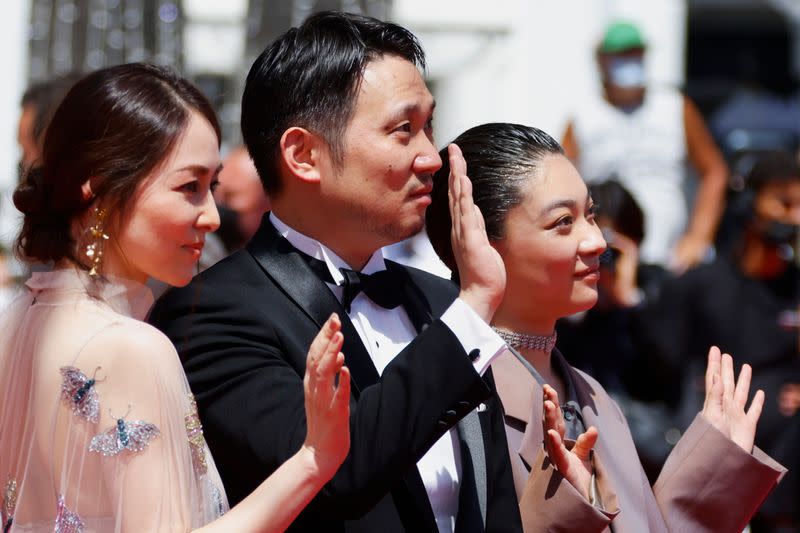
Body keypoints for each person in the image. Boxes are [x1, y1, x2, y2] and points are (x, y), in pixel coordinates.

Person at [149, 11, 522, 533]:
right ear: (304, 154)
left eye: (428, 127)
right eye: (402, 130)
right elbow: (331, 476)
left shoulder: (443, 304)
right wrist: (476, 307)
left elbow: (490, 501)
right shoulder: (209, 313)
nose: (430, 157)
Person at [0, 63, 351, 532]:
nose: (210, 216)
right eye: (189, 187)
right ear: (100, 188)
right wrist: (314, 459)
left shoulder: (17, 319)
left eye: (212, 187)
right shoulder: (131, 347)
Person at [425, 122, 786, 532]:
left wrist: (713, 472)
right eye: (563, 221)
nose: (596, 240)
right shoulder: (451, 402)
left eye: (590, 215)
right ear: (479, 241)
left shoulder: (596, 399)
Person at [640, 150, 800, 532]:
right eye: (785, 202)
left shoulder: (796, 285)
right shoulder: (700, 285)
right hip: (716, 448)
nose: (795, 217)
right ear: (749, 201)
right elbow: (659, 368)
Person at [562, 21, 729, 272]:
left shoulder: (675, 108)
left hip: (671, 259)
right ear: (601, 60)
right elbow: (561, 184)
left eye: (635, 54)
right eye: (620, 56)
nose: (629, 61)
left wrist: (698, 236)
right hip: (608, 261)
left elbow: (715, 172)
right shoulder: (583, 119)